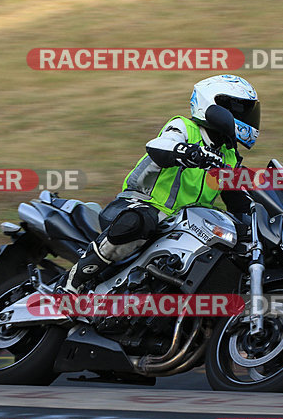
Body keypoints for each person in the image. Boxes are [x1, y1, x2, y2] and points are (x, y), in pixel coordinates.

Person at [58, 74, 261, 295]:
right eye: (239, 110)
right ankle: (71, 283)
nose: (246, 117)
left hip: (185, 223)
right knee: (138, 222)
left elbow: (238, 200)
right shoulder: (184, 128)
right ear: (213, 105)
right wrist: (186, 151)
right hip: (141, 204)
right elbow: (160, 147)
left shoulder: (229, 156)